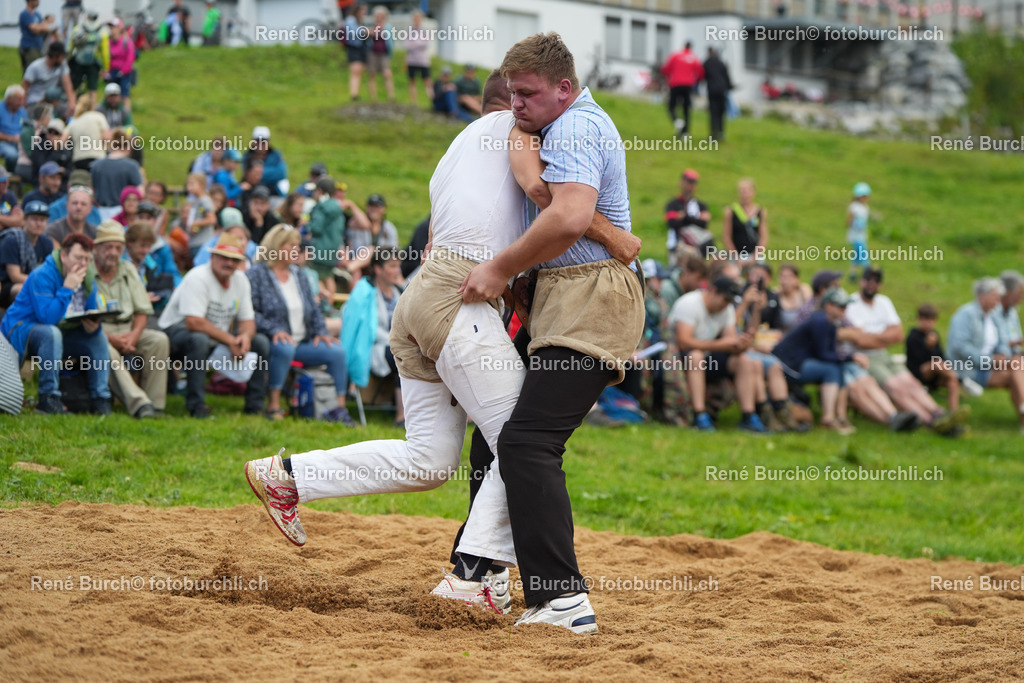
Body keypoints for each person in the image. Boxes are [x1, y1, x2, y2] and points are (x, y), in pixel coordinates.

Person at [244, 68, 640, 631]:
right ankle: (475, 577)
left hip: (420, 302)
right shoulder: (516, 127)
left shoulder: (454, 150)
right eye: (524, 101)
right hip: (459, 297)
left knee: (429, 460)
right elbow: (544, 195)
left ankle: (288, 476)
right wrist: (614, 235)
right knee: (521, 443)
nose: (535, 115)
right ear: (511, 105)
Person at [458, 34, 646, 633]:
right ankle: (480, 572)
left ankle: (561, 599)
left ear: (564, 88)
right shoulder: (549, 123)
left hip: (592, 296)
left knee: (528, 442)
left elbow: (564, 214)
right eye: (512, 93)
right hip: (566, 294)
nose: (517, 104)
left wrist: (499, 268)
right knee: (496, 431)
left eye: (528, 94)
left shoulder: (576, 128)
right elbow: (546, 191)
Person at [248, 224, 354, 424]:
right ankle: (274, 404)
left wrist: (321, 331)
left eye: (297, 245)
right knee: (285, 347)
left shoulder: (299, 275)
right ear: (276, 247)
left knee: (336, 351)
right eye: (291, 245)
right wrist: (274, 330)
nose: (296, 249)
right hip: (274, 339)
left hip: (303, 341)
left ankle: (338, 409)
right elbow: (250, 311)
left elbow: (313, 309)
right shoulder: (257, 274)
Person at [159, 232, 269, 418]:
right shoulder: (198, 277)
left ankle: (255, 406)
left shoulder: (241, 280)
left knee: (260, 342)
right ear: (212, 257)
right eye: (224, 258)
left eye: (234, 260)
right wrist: (230, 340)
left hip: (214, 334)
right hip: (175, 333)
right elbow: (193, 322)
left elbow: (248, 321)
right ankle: (197, 405)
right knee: (199, 339)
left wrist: (244, 338)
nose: (229, 263)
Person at [0, 232, 112, 414]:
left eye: (87, 259)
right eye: (78, 258)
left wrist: (93, 325)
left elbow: (92, 311)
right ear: (63, 256)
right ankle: (48, 399)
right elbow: (47, 318)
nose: (83, 264)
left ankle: (101, 399)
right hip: (20, 330)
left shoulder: (88, 278)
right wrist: (67, 287)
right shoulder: (42, 274)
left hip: (60, 333)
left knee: (98, 339)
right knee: (51, 333)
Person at [845, 267, 965, 435]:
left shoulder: (884, 302)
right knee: (896, 387)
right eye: (868, 280)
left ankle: (939, 413)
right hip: (865, 358)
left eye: (876, 281)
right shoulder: (851, 304)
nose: (872, 284)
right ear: (861, 281)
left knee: (911, 383)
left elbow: (898, 334)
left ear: (880, 285)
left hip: (884, 354)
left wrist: (874, 338)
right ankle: (931, 421)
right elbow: (860, 341)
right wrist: (884, 336)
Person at [671, 275, 768, 433]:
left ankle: (748, 416)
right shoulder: (689, 304)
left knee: (743, 360)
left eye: (730, 301)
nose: (726, 305)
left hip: (708, 357)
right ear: (713, 291)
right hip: (675, 359)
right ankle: (699, 415)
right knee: (696, 356)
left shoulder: (727, 308)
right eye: (725, 299)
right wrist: (720, 344)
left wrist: (740, 345)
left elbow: (729, 341)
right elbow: (683, 342)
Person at [92, 221, 169, 418]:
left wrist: (134, 336)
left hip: (128, 328)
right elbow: (82, 318)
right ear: (96, 248)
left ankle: (156, 405)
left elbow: (142, 310)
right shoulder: (86, 272)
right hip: (97, 331)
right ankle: (140, 404)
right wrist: (111, 338)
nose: (113, 252)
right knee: (105, 349)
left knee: (159, 340)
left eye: (118, 248)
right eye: (108, 247)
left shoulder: (127, 269)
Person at [772, 287, 863, 434]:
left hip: (799, 363)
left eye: (845, 306)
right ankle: (828, 418)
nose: (844, 309)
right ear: (828, 306)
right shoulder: (820, 321)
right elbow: (824, 354)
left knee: (837, 368)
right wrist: (852, 357)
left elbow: (829, 353)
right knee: (831, 369)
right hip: (788, 366)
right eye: (841, 306)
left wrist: (845, 359)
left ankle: (840, 417)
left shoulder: (830, 322)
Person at [948, 277, 1024, 434]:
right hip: (970, 368)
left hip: (991, 366)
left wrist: (1003, 354)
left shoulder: (992, 315)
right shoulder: (966, 315)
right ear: (982, 296)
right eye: (995, 296)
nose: (998, 300)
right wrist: (989, 361)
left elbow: (1002, 341)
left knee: (1016, 366)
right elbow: (959, 346)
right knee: (1016, 368)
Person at [341, 248, 405, 423]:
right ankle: (402, 416)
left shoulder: (400, 292)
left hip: (398, 345)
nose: (398, 271)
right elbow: (367, 329)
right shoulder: (364, 291)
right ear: (378, 269)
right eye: (392, 266)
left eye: (398, 266)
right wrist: (398, 342)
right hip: (373, 347)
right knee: (404, 358)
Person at [906, 303, 961, 412]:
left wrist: (933, 348)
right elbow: (918, 358)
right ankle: (958, 378)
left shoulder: (934, 334)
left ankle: (953, 412)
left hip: (936, 374)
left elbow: (942, 356)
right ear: (918, 319)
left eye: (931, 320)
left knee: (952, 382)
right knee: (936, 364)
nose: (928, 324)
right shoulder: (913, 336)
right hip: (918, 372)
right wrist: (929, 347)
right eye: (925, 320)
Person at [0, 200, 53, 308]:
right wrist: (42, 281)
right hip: (8, 286)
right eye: (34, 219)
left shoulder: (46, 242)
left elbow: (50, 270)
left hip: (35, 282)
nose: (38, 223)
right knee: (22, 289)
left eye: (42, 220)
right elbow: (15, 276)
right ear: (24, 220)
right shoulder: (12, 240)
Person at [123, 219, 179, 312]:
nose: (146, 251)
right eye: (142, 246)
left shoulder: (148, 264)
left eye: (149, 246)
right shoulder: (119, 265)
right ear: (129, 243)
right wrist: (140, 299)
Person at [90, 128, 143, 216]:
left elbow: (91, 190)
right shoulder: (132, 166)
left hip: (99, 211)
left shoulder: (96, 165)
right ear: (128, 146)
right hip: (122, 212)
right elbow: (140, 192)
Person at [664, 168, 712, 258]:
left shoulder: (701, 205)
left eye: (693, 183)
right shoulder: (673, 204)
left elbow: (704, 223)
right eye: (688, 182)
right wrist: (695, 220)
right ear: (681, 182)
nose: (690, 186)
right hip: (677, 247)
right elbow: (672, 223)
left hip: (697, 248)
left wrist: (685, 217)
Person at [661, 41, 703, 137]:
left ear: (684, 46)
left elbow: (666, 69)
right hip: (688, 85)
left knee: (671, 106)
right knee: (686, 109)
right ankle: (685, 133)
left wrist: (668, 77)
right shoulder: (694, 58)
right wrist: (696, 82)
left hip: (675, 84)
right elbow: (700, 73)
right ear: (691, 47)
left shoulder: (675, 56)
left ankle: (677, 121)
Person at [722, 178, 767, 265]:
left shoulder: (760, 212)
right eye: (742, 191)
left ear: (753, 192)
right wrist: (736, 258)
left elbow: (763, 237)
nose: (744, 194)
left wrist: (755, 257)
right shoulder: (731, 211)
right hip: (736, 255)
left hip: (754, 255)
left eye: (747, 191)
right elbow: (726, 237)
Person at [67, 11, 110, 101]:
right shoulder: (102, 32)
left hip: (78, 61)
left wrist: (68, 59)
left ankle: (72, 106)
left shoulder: (77, 29)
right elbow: (105, 53)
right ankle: (92, 110)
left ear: (87, 17)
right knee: (93, 88)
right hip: (93, 63)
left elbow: (70, 47)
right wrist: (105, 68)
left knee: (74, 86)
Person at [23, 42, 77, 111]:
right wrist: (23, 106)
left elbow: (67, 84)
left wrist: (71, 103)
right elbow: (24, 87)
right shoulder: (35, 67)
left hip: (52, 101)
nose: (63, 58)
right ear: (55, 55)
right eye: (62, 56)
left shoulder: (62, 65)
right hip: (35, 102)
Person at [66, 93, 110, 172]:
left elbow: (61, 141)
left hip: (79, 160)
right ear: (93, 106)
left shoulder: (74, 121)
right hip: (98, 157)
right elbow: (106, 138)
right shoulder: (98, 117)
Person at [243, 127, 287, 197]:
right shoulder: (247, 156)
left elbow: (281, 173)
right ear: (253, 142)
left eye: (263, 142)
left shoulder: (276, 155)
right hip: (252, 192)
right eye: (258, 141)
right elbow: (247, 175)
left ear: (268, 142)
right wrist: (270, 173)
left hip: (273, 192)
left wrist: (257, 173)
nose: (260, 144)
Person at [181, 172, 217, 257]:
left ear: (202, 185)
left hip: (202, 243)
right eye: (188, 184)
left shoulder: (204, 200)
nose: (189, 187)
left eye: (192, 184)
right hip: (195, 242)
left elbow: (212, 219)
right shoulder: (196, 202)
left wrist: (195, 224)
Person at [105, 19, 136, 111]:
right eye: (110, 27)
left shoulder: (126, 41)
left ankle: (127, 119)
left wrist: (123, 71)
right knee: (110, 97)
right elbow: (106, 57)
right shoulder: (108, 42)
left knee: (124, 96)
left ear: (119, 28)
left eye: (113, 27)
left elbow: (130, 58)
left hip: (124, 73)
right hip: (112, 72)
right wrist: (106, 72)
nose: (111, 30)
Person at [703, 47, 732, 141]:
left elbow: (703, 76)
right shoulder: (721, 63)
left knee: (713, 112)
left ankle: (713, 133)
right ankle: (721, 132)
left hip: (712, 90)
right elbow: (726, 76)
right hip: (721, 90)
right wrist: (729, 87)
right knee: (721, 112)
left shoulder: (706, 63)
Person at [366, 6, 395, 102]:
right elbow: (365, 35)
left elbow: (391, 41)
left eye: (381, 15)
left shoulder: (388, 27)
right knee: (372, 75)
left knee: (387, 74)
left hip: (384, 53)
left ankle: (391, 97)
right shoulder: (371, 26)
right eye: (377, 15)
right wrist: (369, 33)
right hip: (373, 53)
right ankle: (373, 98)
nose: (379, 17)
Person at [404, 10, 432, 105]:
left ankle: (432, 99)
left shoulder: (424, 30)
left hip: (423, 60)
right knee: (412, 80)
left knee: (427, 79)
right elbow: (407, 44)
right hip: (411, 59)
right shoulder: (409, 30)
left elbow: (426, 43)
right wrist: (418, 42)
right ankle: (413, 101)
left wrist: (415, 42)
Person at [19, 0, 55, 72]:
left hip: (38, 47)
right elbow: (34, 30)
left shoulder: (37, 14)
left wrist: (39, 27)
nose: (38, 1)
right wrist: (40, 27)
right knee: (30, 72)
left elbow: (46, 27)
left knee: (38, 72)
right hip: (29, 47)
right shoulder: (24, 14)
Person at [846, 182, 871, 282]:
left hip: (862, 235)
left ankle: (853, 274)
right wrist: (855, 223)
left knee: (856, 257)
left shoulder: (865, 207)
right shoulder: (854, 207)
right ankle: (868, 274)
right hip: (855, 236)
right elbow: (848, 221)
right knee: (863, 255)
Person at [776, 263, 812, 333]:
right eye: (781, 277)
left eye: (788, 277)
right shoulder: (776, 295)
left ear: (796, 279)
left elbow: (812, 313)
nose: (784, 281)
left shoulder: (804, 292)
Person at [344, 3, 369, 101]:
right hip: (354, 47)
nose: (364, 13)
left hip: (362, 47)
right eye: (362, 10)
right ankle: (354, 95)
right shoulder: (350, 19)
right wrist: (365, 32)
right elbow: (352, 32)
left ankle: (356, 93)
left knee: (360, 71)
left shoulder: (360, 21)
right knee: (355, 70)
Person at [0, 87, 28, 173]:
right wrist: (11, 138)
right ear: (9, 99)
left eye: (22, 99)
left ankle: (22, 174)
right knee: (12, 154)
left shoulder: (22, 111)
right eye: (18, 99)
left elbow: (26, 127)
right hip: (3, 142)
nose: (21, 102)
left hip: (20, 142)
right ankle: (11, 175)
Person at [998, 270, 1024, 357]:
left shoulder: (1012, 312)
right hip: (997, 360)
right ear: (1008, 293)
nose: (1021, 299)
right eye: (1019, 294)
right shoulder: (991, 313)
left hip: (1015, 356)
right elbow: (992, 344)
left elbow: (1017, 339)